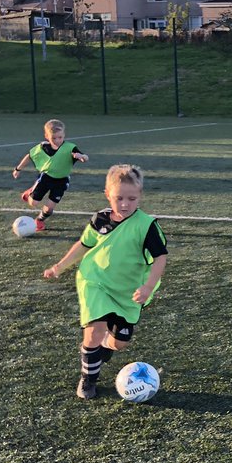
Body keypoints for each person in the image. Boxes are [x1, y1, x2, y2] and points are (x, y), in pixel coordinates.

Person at [43, 164, 168, 399]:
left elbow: (161, 257)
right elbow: (84, 244)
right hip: (95, 281)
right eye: (118, 198)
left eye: (131, 198)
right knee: (93, 332)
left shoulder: (147, 226)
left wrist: (148, 286)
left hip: (128, 291)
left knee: (120, 343)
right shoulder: (99, 219)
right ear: (107, 195)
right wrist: (59, 266)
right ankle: (88, 380)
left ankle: (103, 349)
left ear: (140, 197)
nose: (124, 204)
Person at [13, 119, 88, 232]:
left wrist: (81, 156)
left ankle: (39, 220)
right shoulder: (42, 147)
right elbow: (29, 156)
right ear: (46, 136)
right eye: (54, 138)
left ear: (64, 135)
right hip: (46, 178)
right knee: (33, 203)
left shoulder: (70, 148)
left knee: (48, 209)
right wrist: (18, 169)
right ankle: (30, 193)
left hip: (61, 181)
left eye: (60, 137)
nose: (57, 140)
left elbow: (85, 157)